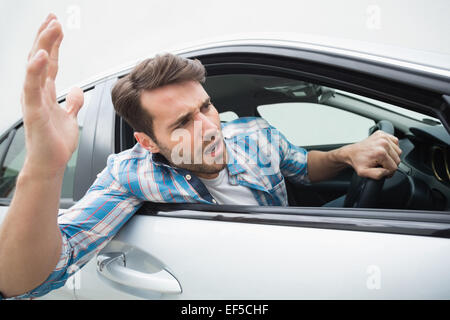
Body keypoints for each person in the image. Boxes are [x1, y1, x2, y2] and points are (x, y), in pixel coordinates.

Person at [0, 14, 402, 299]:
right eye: (182, 123)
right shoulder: (130, 174)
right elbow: (26, 280)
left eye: (206, 107)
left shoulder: (255, 136)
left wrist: (349, 154)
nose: (209, 127)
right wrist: (43, 167)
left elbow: (302, 167)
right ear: (148, 142)